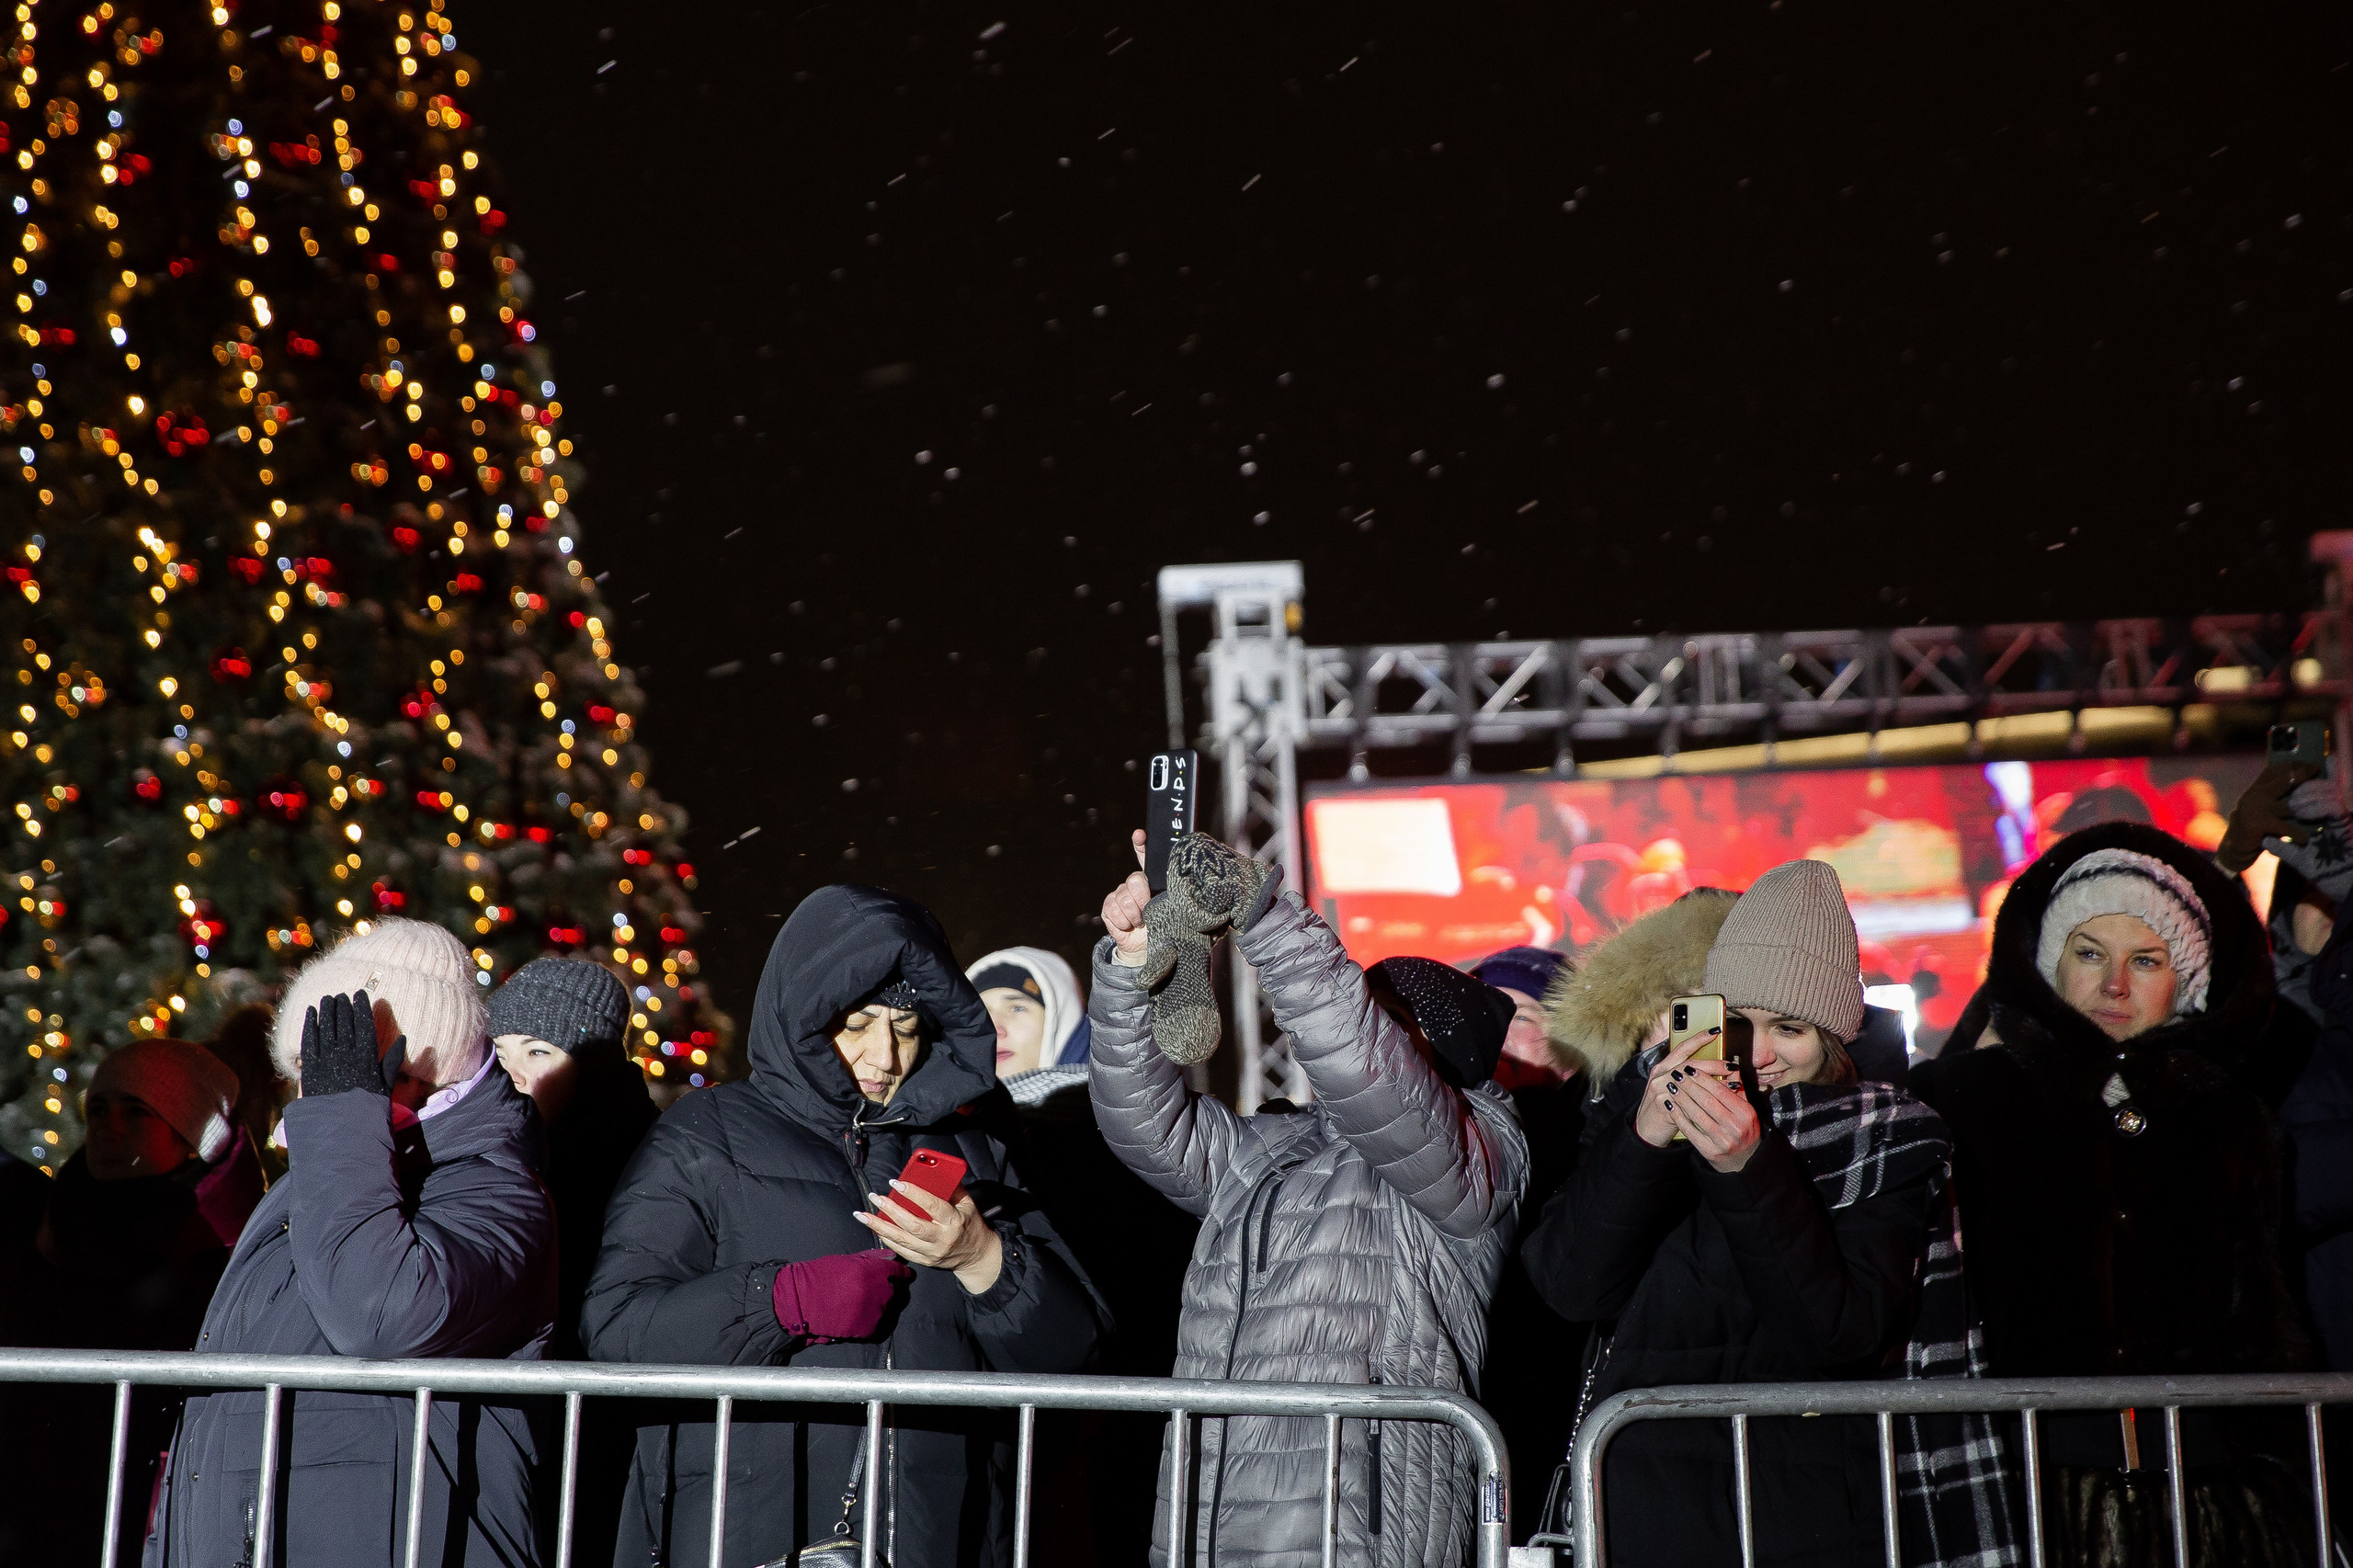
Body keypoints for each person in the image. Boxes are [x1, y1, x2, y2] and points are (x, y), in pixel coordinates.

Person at [582, 885, 1104, 1568]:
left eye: (907, 1029)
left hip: (943, 1538)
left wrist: (985, 1260)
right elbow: (616, 1327)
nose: (885, 1057)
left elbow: (1075, 1350)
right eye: (856, 1025)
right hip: (746, 1535)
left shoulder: (973, 1147)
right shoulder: (707, 1134)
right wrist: (780, 1302)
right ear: (805, 1015)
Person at [1522, 860, 2013, 1567]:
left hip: (1801, 1508)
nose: (1760, 1054)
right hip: (1641, 1501)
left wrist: (1746, 1169)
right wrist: (1644, 1142)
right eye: (1739, 1022)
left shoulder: (1886, 1136)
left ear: (1834, 1041)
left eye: (1791, 1027)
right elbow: (1572, 1288)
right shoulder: (1642, 1107)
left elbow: (1837, 1333)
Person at [1091, 830, 1528, 1566]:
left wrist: (1261, 914)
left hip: (1352, 1539)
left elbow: (1362, 1068)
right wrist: (1135, 969)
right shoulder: (1274, 1149)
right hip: (1208, 1527)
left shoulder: (1477, 1156)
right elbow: (1141, 1124)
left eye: (1386, 1018)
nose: (1362, 1026)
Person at [1909, 823, 2307, 1566]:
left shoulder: (2231, 1116)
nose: (2114, 984)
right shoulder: (1961, 1099)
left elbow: (2265, 1314)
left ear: (2185, 982)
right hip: (2026, 1491)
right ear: (2049, 963)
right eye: (2089, 953)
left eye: (2145, 960)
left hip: (2206, 1498)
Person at [144, 919, 557, 1568]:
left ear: (416, 1062)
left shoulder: (495, 1190)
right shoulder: (311, 1179)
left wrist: (345, 1122)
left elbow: (379, 1315)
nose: (312, 1092)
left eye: (337, 1063)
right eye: (311, 1066)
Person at [0, 1040, 262, 1567]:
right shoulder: (40, 1227)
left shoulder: (223, 1251)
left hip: (145, 1507)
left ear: (189, 1135)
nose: (108, 1126)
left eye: (137, 1112)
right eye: (98, 1108)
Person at [488, 958, 658, 1568]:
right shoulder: (503, 1154)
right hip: (528, 1420)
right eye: (502, 1052)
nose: (513, 1073)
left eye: (538, 1052)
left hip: (604, 1424)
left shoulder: (641, 1153)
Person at [968, 944, 1092, 1104]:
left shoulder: (1115, 1107)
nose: (994, 1030)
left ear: (1061, 1022)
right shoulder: (943, 1116)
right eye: (979, 1015)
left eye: (1017, 1008)